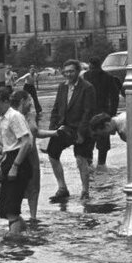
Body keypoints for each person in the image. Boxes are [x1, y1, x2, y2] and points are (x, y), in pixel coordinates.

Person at [45, 59, 96, 202]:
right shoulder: (62, 87)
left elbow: (88, 112)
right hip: (63, 127)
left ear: (78, 71)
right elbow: (56, 108)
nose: (68, 74)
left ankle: (85, 191)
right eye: (66, 72)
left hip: (81, 128)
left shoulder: (87, 87)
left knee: (81, 159)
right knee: (52, 153)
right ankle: (62, 188)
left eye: (71, 71)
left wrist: (81, 133)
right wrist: (52, 130)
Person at [0, 87, 33, 236]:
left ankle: (13, 243)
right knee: (4, 210)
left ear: (6, 102)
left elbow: (26, 142)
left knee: (12, 209)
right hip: (9, 158)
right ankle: (26, 234)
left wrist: (15, 166)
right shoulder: (3, 118)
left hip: (19, 162)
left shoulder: (14, 116)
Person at [10, 89, 42, 221]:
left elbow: (35, 133)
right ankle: (16, 217)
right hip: (20, 152)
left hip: (32, 153)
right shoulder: (14, 116)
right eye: (30, 100)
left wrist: (55, 133)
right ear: (23, 101)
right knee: (18, 185)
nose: (31, 103)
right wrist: (8, 145)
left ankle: (33, 217)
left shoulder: (30, 115)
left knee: (34, 186)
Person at [83, 56, 120, 165]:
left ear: (90, 65)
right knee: (103, 142)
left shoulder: (86, 76)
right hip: (103, 113)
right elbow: (115, 96)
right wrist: (112, 112)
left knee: (88, 141)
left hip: (89, 113)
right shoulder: (108, 77)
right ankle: (101, 164)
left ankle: (89, 164)